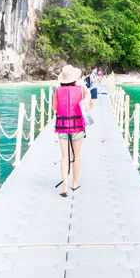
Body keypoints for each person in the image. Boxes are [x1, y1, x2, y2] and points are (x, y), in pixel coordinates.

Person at [52, 65, 89, 197]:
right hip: (77, 127)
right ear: (74, 78)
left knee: (64, 157)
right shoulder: (81, 90)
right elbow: (87, 109)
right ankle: (74, 183)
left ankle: (65, 187)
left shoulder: (58, 91)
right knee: (76, 156)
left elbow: (55, 109)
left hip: (62, 127)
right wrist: (94, 101)